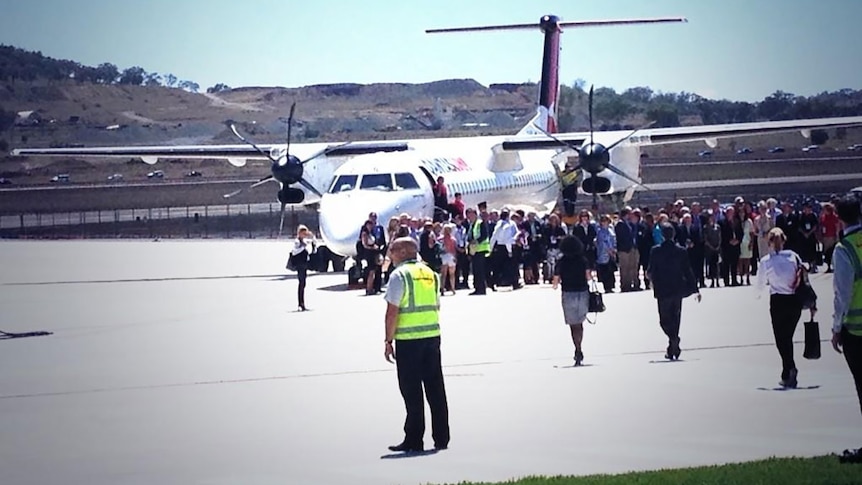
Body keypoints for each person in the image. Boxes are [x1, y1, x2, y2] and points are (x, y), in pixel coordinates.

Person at [383, 237, 449, 453]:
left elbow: (392, 312)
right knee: (435, 389)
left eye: (392, 250)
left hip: (409, 341)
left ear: (403, 252)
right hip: (432, 337)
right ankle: (441, 437)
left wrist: (388, 340)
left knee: (411, 391)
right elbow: (436, 304)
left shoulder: (399, 275)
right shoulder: (431, 273)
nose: (390, 255)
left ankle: (414, 438)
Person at [830, 194, 862, 462]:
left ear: (839, 217)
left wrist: (836, 327)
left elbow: (843, 293)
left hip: (856, 330)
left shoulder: (844, 249)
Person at [757, 227, 805, 388]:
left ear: (769, 242)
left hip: (778, 300)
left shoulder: (766, 261)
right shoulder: (794, 256)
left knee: (781, 339)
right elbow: (804, 279)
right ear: (784, 240)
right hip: (795, 300)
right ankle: (787, 371)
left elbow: (760, 285)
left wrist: (758, 293)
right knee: (788, 337)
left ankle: (790, 368)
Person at [647, 222, 701, 360]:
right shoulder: (681, 251)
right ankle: (673, 345)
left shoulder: (656, 251)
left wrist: (650, 278)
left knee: (664, 320)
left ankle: (673, 342)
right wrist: (695, 288)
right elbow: (688, 271)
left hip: (663, 290)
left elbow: (651, 270)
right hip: (677, 289)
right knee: (675, 318)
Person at [552, 235, 593, 365]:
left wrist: (556, 283)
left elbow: (555, 282)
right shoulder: (583, 260)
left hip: (568, 293)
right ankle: (579, 347)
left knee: (572, 324)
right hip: (582, 292)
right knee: (580, 322)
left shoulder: (561, 261)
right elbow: (588, 277)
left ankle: (577, 348)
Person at [290, 225, 314, 311]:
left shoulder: (304, 241)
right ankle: (300, 303)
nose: (305, 235)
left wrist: (312, 240)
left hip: (304, 264)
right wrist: (303, 247)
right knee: (301, 283)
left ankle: (302, 303)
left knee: (303, 283)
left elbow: (311, 250)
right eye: (303, 233)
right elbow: (294, 252)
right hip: (299, 264)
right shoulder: (297, 242)